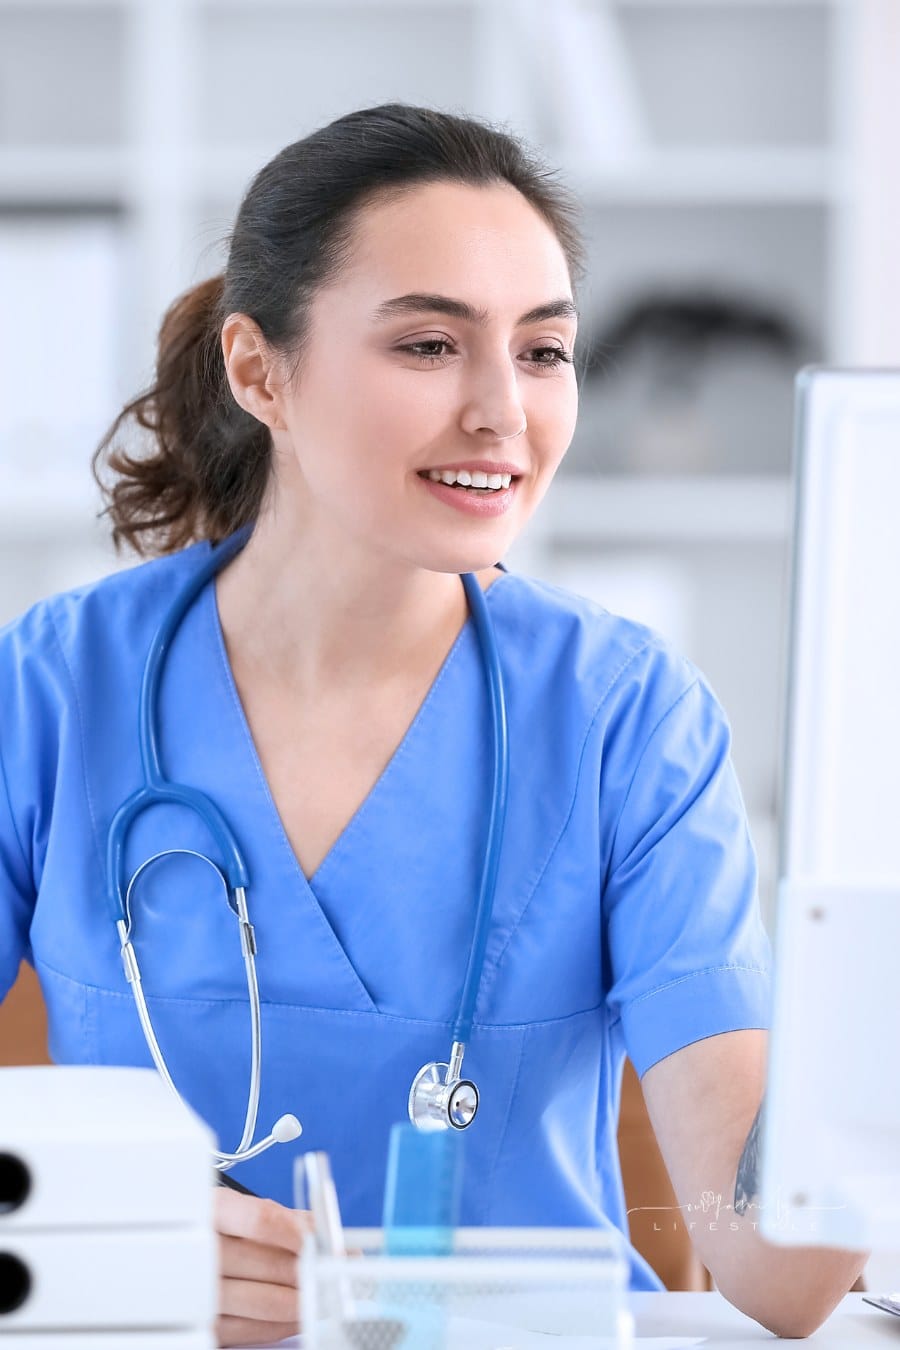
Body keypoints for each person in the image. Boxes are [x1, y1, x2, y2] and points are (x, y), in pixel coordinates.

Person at [0, 102, 866, 1347]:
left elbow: (774, 1279)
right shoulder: (55, 689)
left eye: (544, 351)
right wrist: (98, 1230)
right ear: (260, 371)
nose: (502, 413)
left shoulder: (628, 717)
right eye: (427, 346)